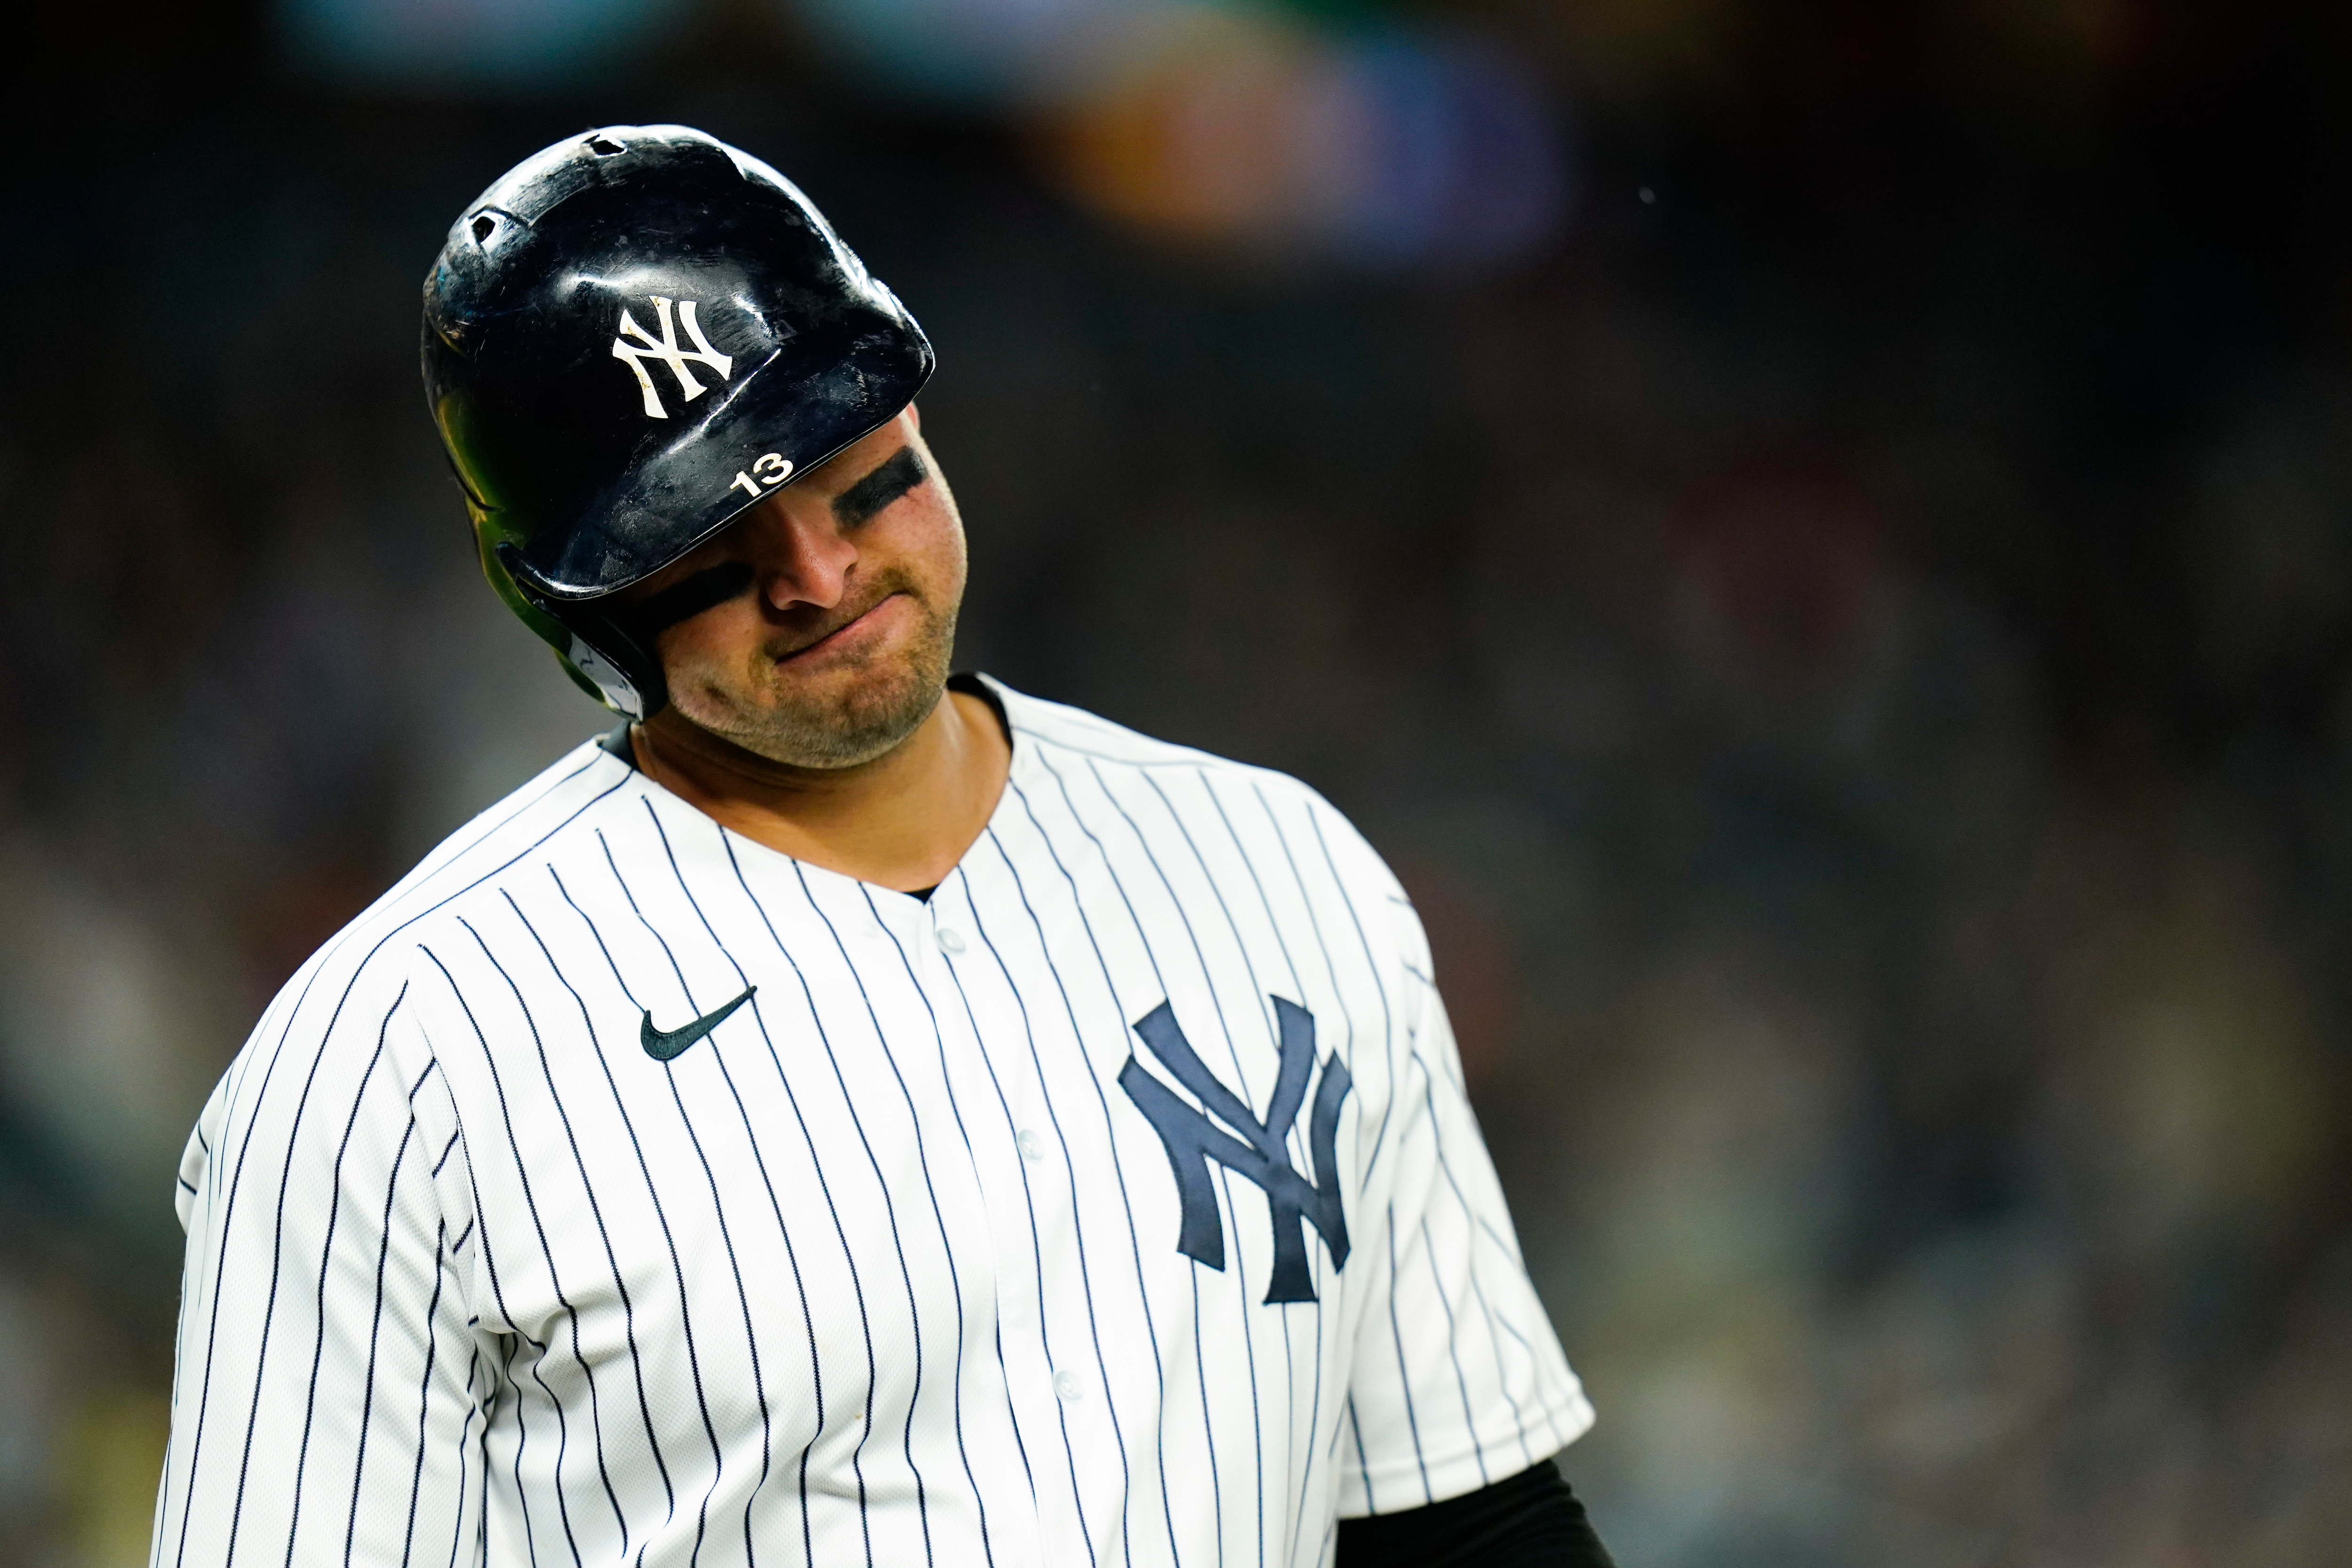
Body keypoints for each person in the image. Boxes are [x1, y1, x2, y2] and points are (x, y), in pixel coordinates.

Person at [152, 124, 1615, 1568]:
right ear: (573, 608)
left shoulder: (1281, 871)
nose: (818, 573)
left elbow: (1469, 1525)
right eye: (707, 543)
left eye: (849, 469)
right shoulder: (398, 1057)